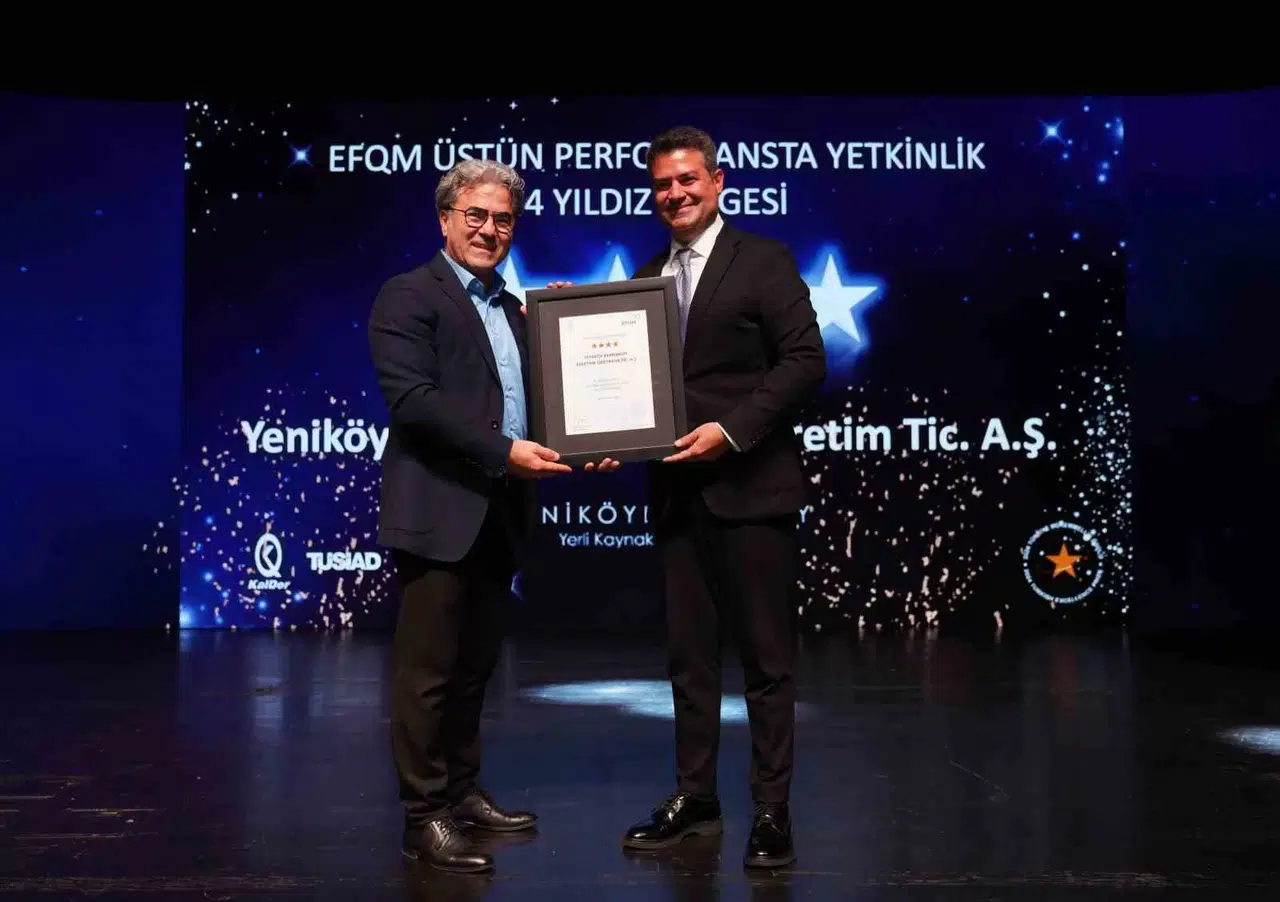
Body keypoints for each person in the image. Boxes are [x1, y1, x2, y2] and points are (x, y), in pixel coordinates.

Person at [368, 158, 604, 874]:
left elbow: (550, 399)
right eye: (476, 215)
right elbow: (415, 403)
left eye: (503, 219)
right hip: (438, 512)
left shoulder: (514, 310)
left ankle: (462, 794)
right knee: (428, 676)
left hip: (499, 514)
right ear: (445, 218)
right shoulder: (408, 295)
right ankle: (423, 818)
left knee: (473, 670)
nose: (490, 229)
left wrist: (565, 339)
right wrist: (505, 452)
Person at [618, 126, 827, 869]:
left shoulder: (763, 259)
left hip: (752, 488)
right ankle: (696, 798)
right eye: (662, 185)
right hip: (677, 497)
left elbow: (805, 359)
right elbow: (629, 386)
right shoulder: (645, 277)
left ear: (717, 181)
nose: (674, 194)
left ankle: (772, 810)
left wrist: (731, 431)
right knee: (689, 663)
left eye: (687, 180)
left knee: (766, 663)